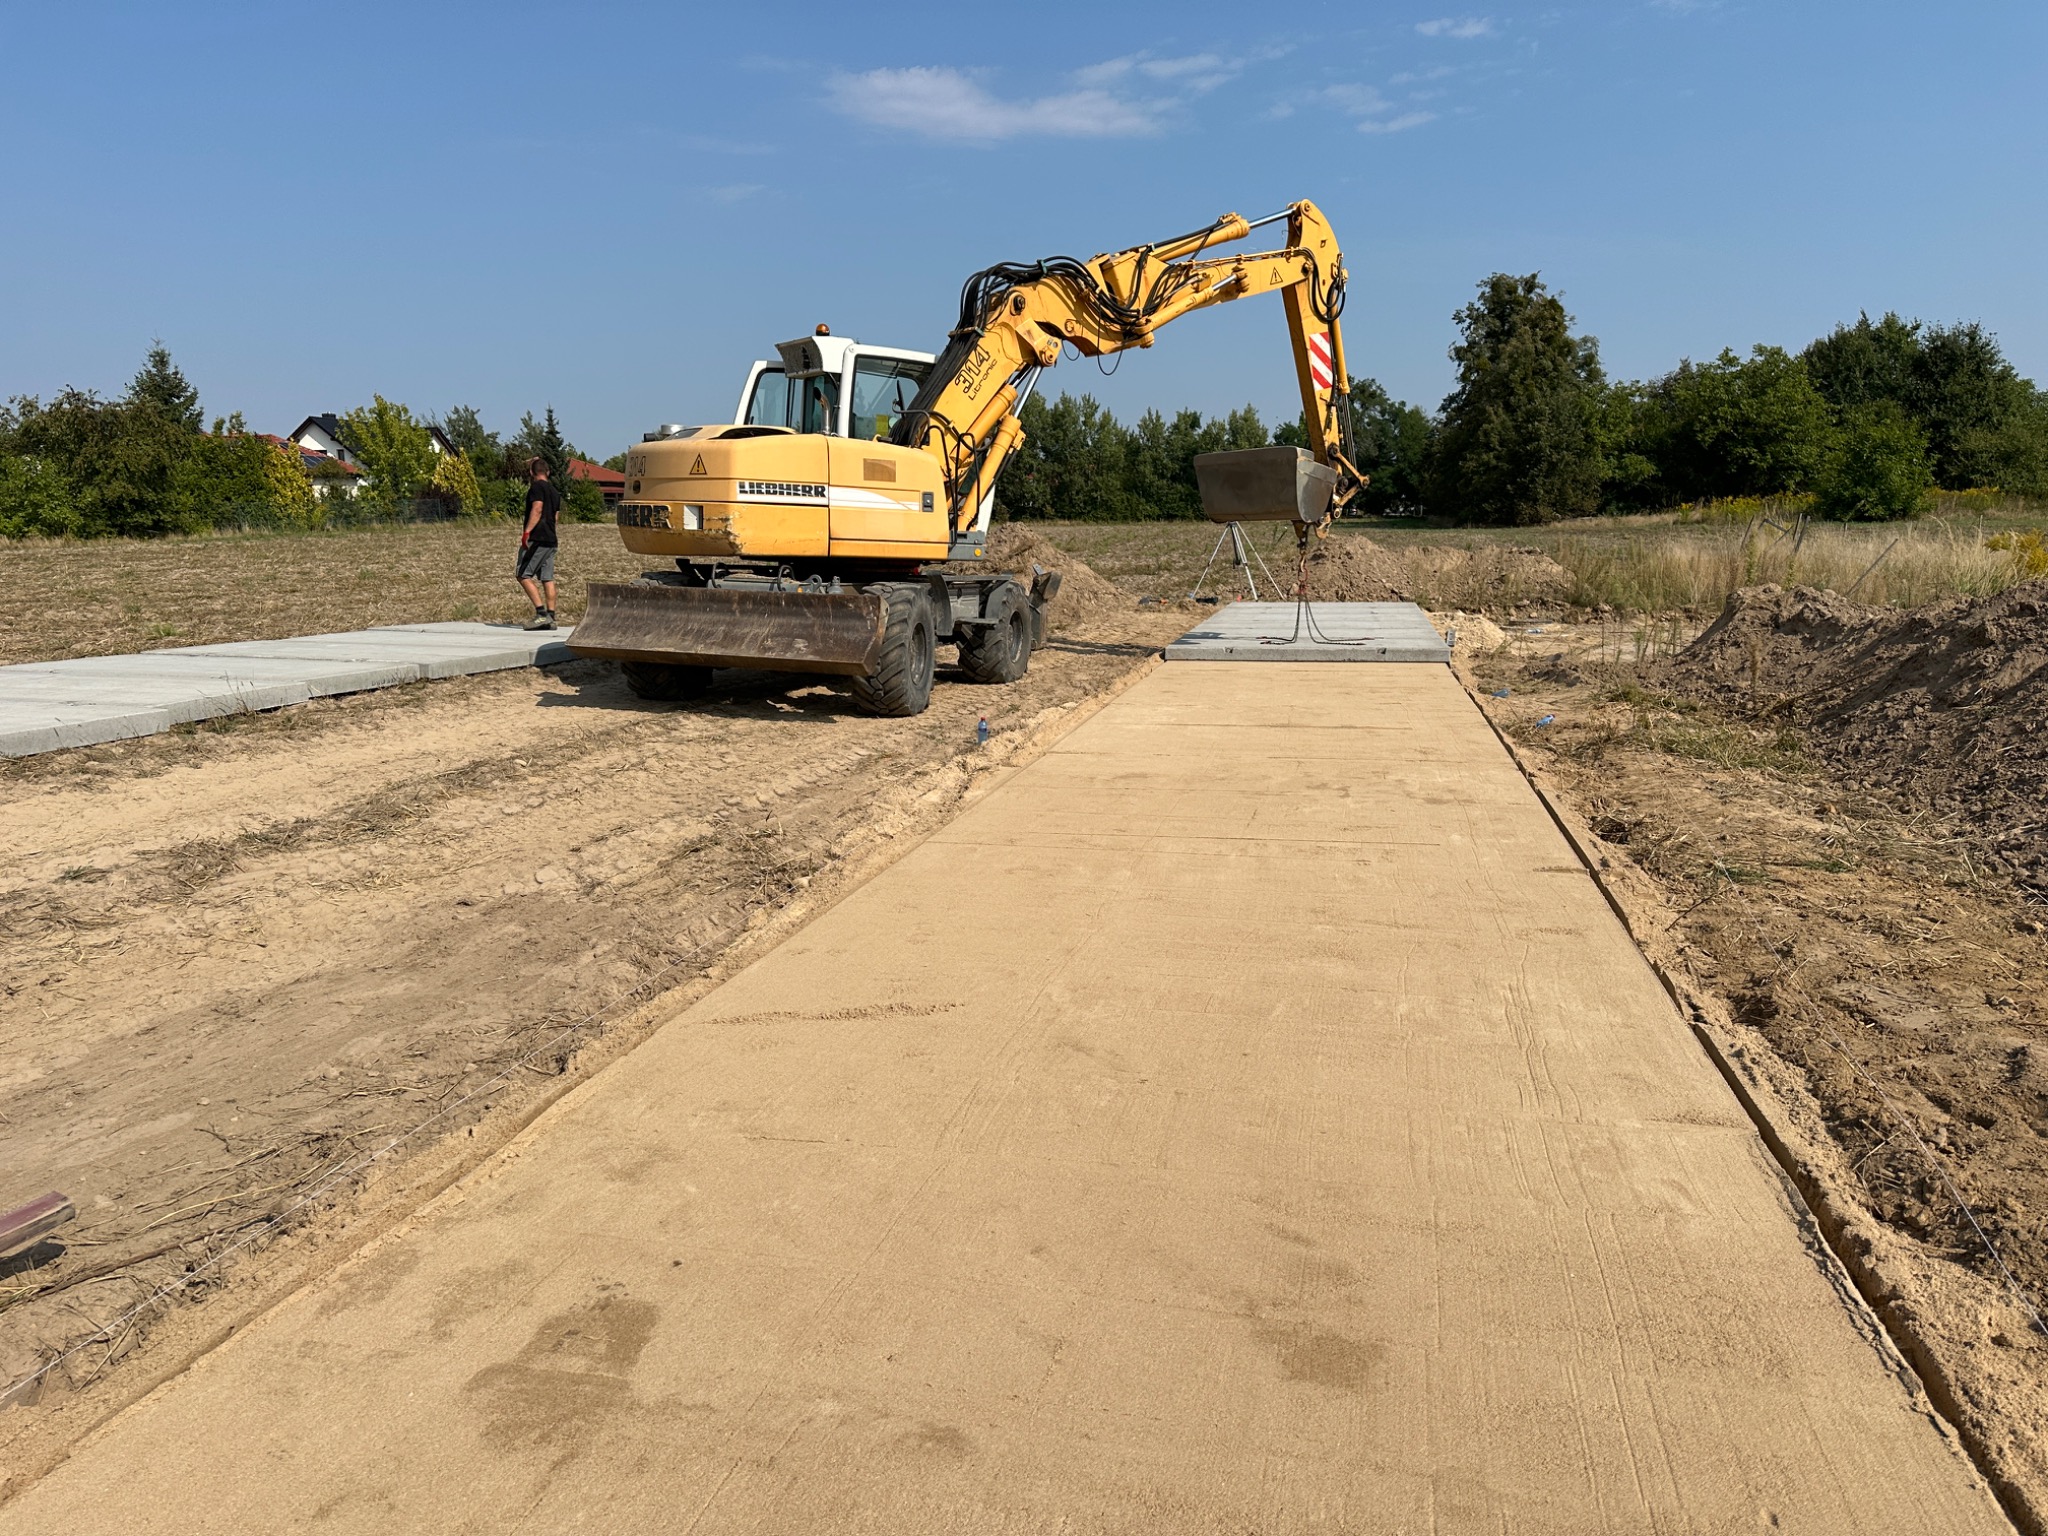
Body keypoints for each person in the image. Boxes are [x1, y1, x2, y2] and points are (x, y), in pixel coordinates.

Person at [516, 458, 561, 630]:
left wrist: (527, 532)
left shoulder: (536, 488)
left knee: (523, 575)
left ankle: (541, 614)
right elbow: (555, 517)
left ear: (531, 473)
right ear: (548, 472)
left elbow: (537, 508)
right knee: (547, 578)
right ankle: (551, 617)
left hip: (538, 538)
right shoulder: (555, 492)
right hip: (551, 539)